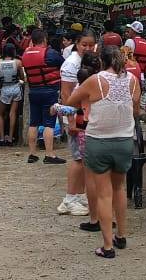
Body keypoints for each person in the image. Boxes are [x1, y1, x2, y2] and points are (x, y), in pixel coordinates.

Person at [56, 45, 139, 258]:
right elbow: (136, 109)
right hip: (124, 140)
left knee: (104, 194)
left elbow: (70, 102)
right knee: (119, 188)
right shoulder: (132, 80)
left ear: (102, 61)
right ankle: (122, 235)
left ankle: (107, 246)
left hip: (99, 141)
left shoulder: (95, 81)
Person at [59, 32, 98, 216]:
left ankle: (80, 195)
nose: (88, 48)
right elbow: (66, 94)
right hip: (75, 118)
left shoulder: (87, 63)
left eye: (91, 45)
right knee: (77, 159)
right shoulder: (71, 64)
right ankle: (69, 199)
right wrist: (71, 121)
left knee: (84, 160)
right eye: (84, 45)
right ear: (77, 44)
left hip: (85, 119)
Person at [21, 26, 65, 164]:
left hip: (33, 92)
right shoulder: (50, 53)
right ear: (45, 39)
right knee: (49, 124)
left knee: (33, 123)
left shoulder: (25, 55)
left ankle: (32, 154)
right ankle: (49, 154)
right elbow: (64, 65)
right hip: (49, 92)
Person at [0, 42, 25, 146]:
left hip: (5, 90)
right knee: (12, 113)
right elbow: (22, 77)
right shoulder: (18, 62)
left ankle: (2, 138)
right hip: (16, 89)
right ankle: (10, 139)